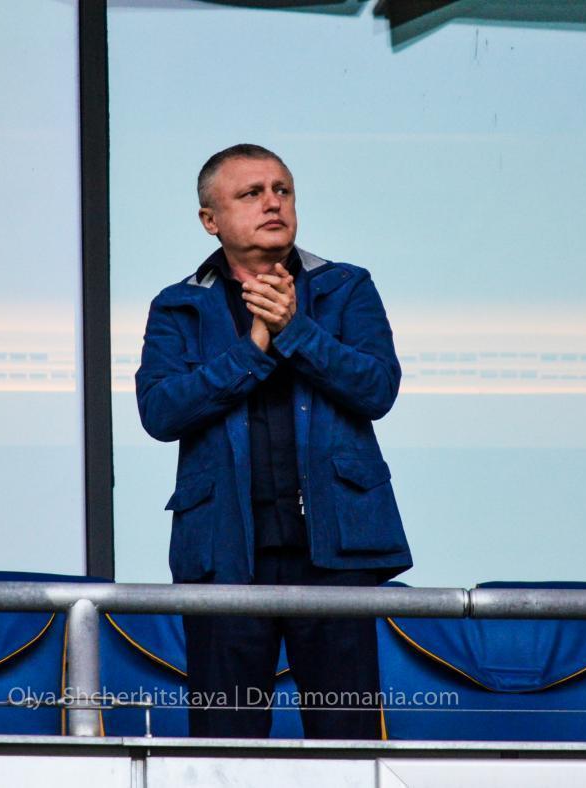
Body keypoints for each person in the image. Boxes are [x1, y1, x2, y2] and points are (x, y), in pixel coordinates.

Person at [135, 144, 411, 739]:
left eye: (282, 190)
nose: (272, 203)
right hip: (224, 552)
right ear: (211, 220)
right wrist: (254, 349)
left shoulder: (345, 287)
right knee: (225, 742)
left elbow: (377, 388)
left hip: (336, 551)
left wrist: (295, 330)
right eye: (251, 193)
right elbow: (160, 412)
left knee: (347, 742)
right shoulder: (179, 305)